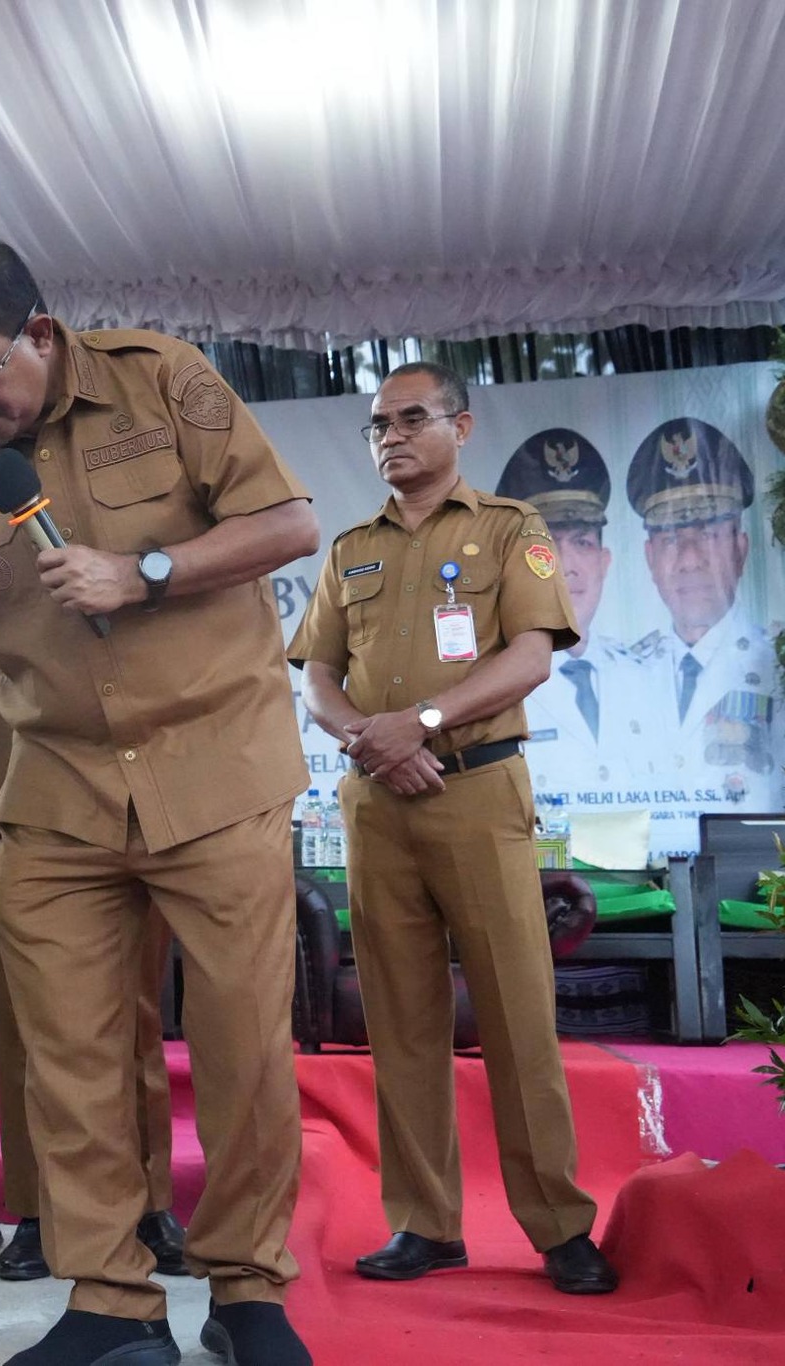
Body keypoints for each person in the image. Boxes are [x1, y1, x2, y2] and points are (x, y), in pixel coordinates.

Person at [0, 231, 318, 1366]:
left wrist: (144, 571)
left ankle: (246, 1292)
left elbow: (288, 525)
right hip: (57, 785)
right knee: (66, 1059)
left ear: (39, 332)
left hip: (215, 766)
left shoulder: (161, 380)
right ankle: (111, 1304)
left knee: (243, 1050)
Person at [288, 361, 619, 1298]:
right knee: (400, 1019)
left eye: (410, 419)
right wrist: (370, 739)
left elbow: (531, 658)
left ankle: (560, 1226)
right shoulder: (351, 548)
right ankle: (426, 1224)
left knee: (517, 1014)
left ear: (460, 427)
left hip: (476, 791)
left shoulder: (511, 529)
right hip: (378, 800)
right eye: (378, 425)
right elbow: (317, 678)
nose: (391, 437)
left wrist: (422, 724)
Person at [0, 638, 187, 1282]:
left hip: (137, 794)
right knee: (30, 1024)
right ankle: (40, 1209)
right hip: (11, 801)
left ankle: (149, 1206)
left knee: (137, 1015)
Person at [625, 417, 785, 847]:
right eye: (670, 539)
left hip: (758, 872)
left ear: (741, 548)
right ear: (650, 558)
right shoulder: (621, 674)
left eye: (708, 534)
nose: (689, 559)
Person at [492, 428, 661, 803]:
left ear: (604, 562)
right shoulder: (487, 682)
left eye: (582, 542)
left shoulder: (650, 679)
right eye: (548, 545)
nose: (567, 566)